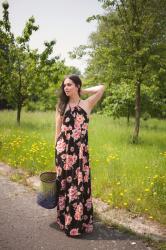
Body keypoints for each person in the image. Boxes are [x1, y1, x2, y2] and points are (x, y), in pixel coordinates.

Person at [55, 74, 105, 237]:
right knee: (65, 187)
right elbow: (57, 132)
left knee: (79, 187)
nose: (66, 88)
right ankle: (66, 222)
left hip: (80, 154)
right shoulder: (61, 106)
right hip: (64, 153)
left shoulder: (87, 103)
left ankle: (78, 223)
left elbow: (101, 88)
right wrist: (56, 153)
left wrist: (83, 89)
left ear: (77, 86)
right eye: (64, 86)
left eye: (69, 84)